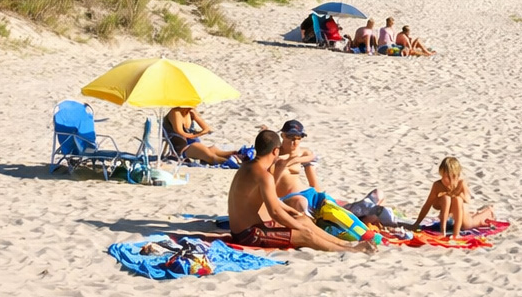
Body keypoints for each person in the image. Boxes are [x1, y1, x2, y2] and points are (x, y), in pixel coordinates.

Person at [225, 129, 375, 253]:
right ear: (276, 151)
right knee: (305, 234)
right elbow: (275, 213)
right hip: (248, 234)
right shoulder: (264, 176)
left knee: (303, 219)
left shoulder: (247, 167)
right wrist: (298, 226)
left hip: (245, 228)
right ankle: (351, 251)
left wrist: (295, 215)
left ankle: (346, 244)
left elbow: (273, 202)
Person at [412, 156, 496, 238]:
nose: (446, 180)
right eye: (444, 176)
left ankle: (488, 211)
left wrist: (458, 193)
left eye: (450, 177)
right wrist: (417, 223)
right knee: (446, 198)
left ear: (456, 176)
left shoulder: (460, 183)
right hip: (451, 216)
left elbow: (467, 200)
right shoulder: (437, 185)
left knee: (467, 222)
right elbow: (427, 205)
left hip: (463, 214)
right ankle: (444, 229)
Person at [163, 105, 247, 166]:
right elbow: (181, 132)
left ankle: (236, 155)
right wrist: (198, 134)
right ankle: (232, 162)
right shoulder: (175, 112)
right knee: (209, 156)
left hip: (193, 144)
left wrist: (195, 116)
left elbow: (207, 128)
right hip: (182, 149)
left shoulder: (190, 112)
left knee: (213, 150)